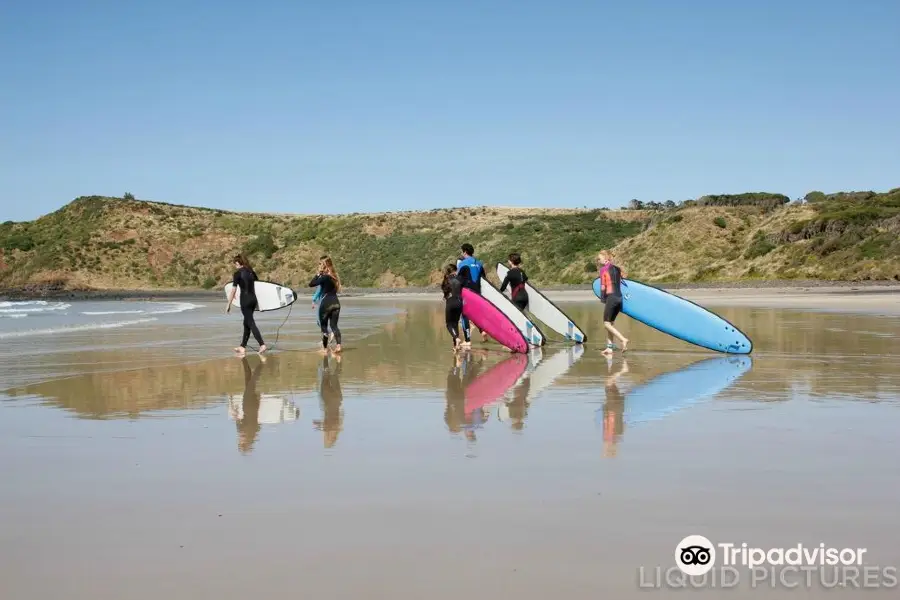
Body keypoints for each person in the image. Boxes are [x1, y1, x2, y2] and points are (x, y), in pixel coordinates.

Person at [226, 254, 267, 356]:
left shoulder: (237, 274)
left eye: (235, 264)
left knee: (250, 322)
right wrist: (260, 304)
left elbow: (233, 290)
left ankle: (262, 344)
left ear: (238, 263)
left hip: (245, 301)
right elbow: (258, 286)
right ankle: (242, 347)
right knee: (246, 323)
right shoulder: (251, 272)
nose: (235, 266)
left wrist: (229, 304)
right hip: (253, 300)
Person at [596, 250, 629, 356]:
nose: (598, 260)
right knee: (610, 323)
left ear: (606, 259)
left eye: (599, 258)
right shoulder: (617, 269)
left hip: (611, 297)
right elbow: (623, 280)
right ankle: (609, 348)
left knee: (606, 323)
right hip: (619, 298)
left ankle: (623, 339)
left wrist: (603, 299)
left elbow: (603, 286)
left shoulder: (603, 270)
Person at [308, 255, 342, 354]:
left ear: (323, 265)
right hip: (336, 303)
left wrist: (318, 274)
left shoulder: (324, 277)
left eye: (320, 264)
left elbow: (311, 284)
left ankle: (325, 349)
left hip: (325, 303)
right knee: (334, 326)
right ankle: (338, 345)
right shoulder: (335, 276)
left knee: (324, 328)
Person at [456, 243, 488, 344]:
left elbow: (458, 280)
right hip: (478, 293)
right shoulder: (479, 263)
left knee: (464, 315)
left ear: (465, 252)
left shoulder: (463, 263)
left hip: (467, 293)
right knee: (476, 315)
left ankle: (467, 340)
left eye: (462, 251)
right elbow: (484, 279)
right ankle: (482, 331)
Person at [441, 263, 466, 351]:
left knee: (449, 324)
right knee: (455, 323)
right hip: (459, 303)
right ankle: (456, 346)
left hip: (451, 303)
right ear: (456, 270)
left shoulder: (446, 280)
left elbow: (446, 294)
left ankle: (456, 338)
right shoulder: (460, 279)